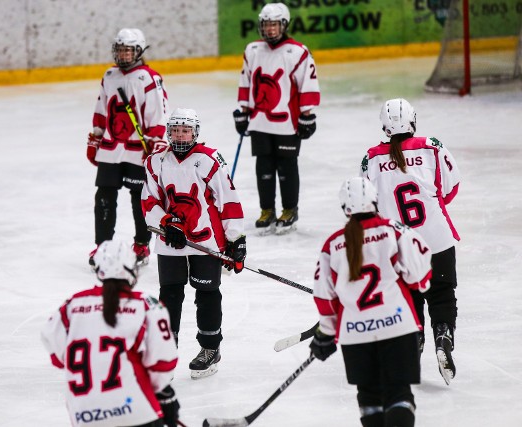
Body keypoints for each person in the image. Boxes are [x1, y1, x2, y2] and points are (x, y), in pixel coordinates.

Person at [309, 177, 432, 427]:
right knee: (399, 394)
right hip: (398, 325)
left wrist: (326, 333)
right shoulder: (394, 229)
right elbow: (420, 276)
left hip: (355, 334)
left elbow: (324, 297)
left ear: (345, 208)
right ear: (375, 200)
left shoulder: (332, 245)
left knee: (369, 398)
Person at [360, 98, 461, 385]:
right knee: (442, 294)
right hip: (437, 239)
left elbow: (368, 208)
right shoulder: (432, 146)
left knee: (409, 298)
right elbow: (450, 188)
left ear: (385, 127)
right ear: (413, 121)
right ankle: (443, 335)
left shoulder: (371, 158)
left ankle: (413, 342)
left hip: (400, 246)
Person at [142, 108, 246, 379]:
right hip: (171, 241)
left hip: (206, 239)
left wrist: (236, 239)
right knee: (170, 294)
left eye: (185, 130)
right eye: (175, 129)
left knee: (207, 294)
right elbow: (148, 201)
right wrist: (167, 222)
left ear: (195, 132)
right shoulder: (155, 161)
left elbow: (229, 200)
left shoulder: (209, 159)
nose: (179, 134)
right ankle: (165, 350)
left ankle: (210, 348)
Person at [41, 239, 180, 427]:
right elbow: (164, 362)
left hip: (84, 414)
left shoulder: (73, 305)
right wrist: (160, 391)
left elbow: (53, 346)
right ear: (132, 269)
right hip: (136, 411)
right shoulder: (146, 305)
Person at [233, 2, 321, 235]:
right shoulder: (252, 50)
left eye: (274, 25)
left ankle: (290, 209)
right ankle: (267, 210)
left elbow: (308, 85)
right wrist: (243, 111)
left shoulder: (298, 51)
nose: (269, 29)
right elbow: (246, 82)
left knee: (286, 167)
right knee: (263, 165)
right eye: (266, 25)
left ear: (284, 25)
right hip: (260, 120)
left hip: (288, 122)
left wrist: (307, 115)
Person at [87, 28, 169, 269]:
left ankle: (142, 243)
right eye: (120, 50)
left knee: (139, 198)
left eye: (128, 50)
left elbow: (158, 112)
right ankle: (103, 245)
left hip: (138, 150)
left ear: (139, 51)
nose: (123, 55)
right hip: (112, 148)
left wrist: (155, 142)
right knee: (104, 196)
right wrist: (96, 138)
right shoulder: (109, 75)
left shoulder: (148, 78)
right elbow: (102, 109)